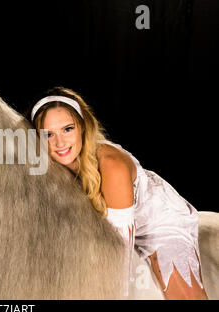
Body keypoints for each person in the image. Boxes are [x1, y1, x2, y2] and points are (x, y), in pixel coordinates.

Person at [26, 86, 208, 300]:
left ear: (83, 127)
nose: (59, 143)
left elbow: (119, 257)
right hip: (112, 224)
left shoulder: (112, 166)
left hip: (159, 221)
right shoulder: (47, 166)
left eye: (68, 129)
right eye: (48, 134)